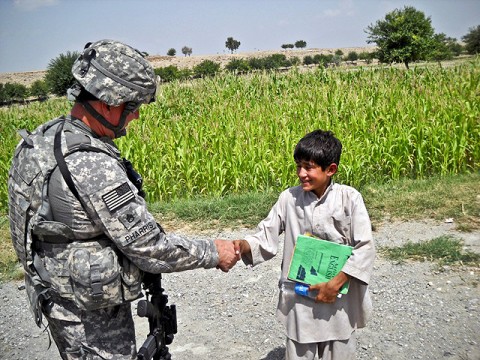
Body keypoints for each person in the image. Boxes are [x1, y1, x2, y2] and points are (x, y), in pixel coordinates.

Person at [8, 39, 238, 359]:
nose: (136, 117)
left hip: (59, 300)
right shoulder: (90, 163)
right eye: (133, 107)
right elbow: (148, 248)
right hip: (93, 320)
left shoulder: (42, 139)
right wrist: (214, 251)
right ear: (107, 103)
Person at [232, 130, 376, 360]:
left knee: (339, 348)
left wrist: (335, 283)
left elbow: (365, 247)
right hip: (301, 299)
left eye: (309, 167)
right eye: (299, 166)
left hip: (338, 297)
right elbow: (266, 235)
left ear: (330, 170)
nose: (301, 174)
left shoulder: (350, 199)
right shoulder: (288, 199)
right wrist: (244, 245)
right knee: (300, 347)